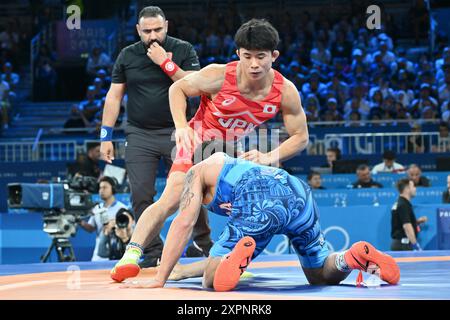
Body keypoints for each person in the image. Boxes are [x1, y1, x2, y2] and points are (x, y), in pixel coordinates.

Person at [110, 18, 310, 282]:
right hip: (196, 144)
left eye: (261, 57)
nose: (253, 64)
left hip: (229, 153)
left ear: (274, 56)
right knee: (171, 200)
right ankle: (131, 254)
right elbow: (177, 88)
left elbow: (301, 136)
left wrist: (270, 156)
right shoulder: (219, 75)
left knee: (253, 211)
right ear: (238, 53)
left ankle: (194, 267)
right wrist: (181, 127)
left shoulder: (285, 91)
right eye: (247, 56)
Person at [121, 143, 400, 290]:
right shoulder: (234, 165)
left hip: (257, 198)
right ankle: (349, 258)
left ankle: (235, 261)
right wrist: (181, 271)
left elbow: (183, 222)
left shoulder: (198, 170)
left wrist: (161, 276)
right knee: (318, 273)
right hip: (297, 192)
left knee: (211, 279)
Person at [100, 6, 209, 267]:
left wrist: (165, 62)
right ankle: (151, 251)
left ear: (167, 26)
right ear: (138, 30)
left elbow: (195, 87)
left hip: (179, 132)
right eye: (146, 31)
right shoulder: (127, 55)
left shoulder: (183, 50)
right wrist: (105, 136)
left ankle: (203, 244)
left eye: (157, 29)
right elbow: (114, 97)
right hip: (139, 134)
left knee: (192, 189)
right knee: (140, 194)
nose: (152, 36)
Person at [78, 176, 127, 261]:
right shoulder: (97, 208)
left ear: (113, 189)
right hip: (98, 254)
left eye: (105, 187)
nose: (101, 190)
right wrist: (79, 221)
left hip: (117, 252)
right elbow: (91, 228)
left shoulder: (122, 209)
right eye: (100, 188)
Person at [391, 178, 428, 251]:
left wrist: (416, 222)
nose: (415, 189)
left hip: (400, 244)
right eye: (413, 186)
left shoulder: (401, 203)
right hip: (403, 246)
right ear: (407, 188)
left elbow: (401, 223)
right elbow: (407, 226)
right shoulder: (403, 205)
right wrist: (415, 245)